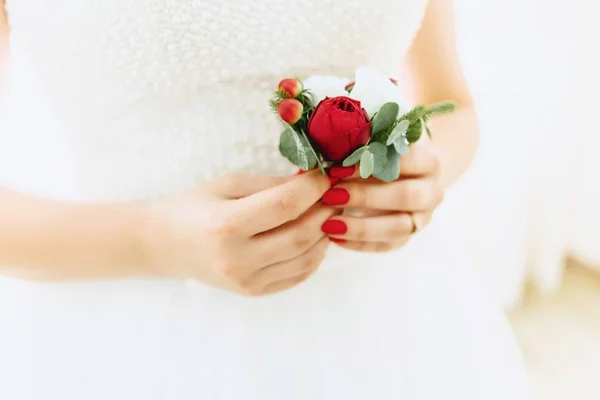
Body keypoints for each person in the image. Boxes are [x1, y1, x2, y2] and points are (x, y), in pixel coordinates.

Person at [0, 0, 531, 399]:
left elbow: (451, 104)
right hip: (128, 332)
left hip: (395, 322)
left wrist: (424, 174)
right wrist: (153, 241)